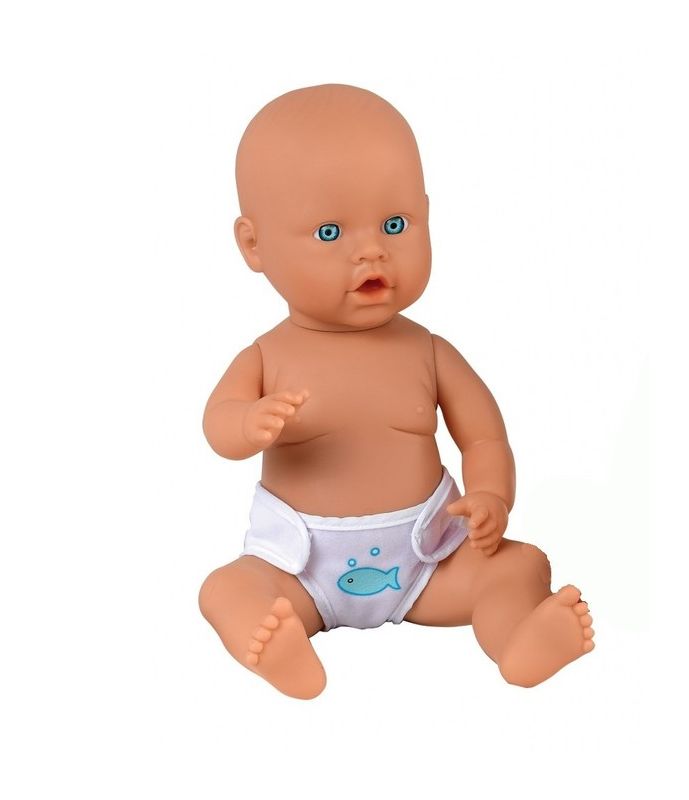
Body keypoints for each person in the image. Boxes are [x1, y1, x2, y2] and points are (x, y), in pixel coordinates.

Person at [199, 84, 594, 699]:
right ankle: (274, 640)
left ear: (426, 213)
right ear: (254, 244)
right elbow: (219, 423)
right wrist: (247, 423)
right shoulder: (267, 356)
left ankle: (518, 638)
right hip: (301, 566)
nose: (372, 251)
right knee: (225, 588)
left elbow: (484, 437)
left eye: (395, 224)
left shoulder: (429, 352)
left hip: (430, 557)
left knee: (521, 564)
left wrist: (491, 496)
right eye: (329, 232)